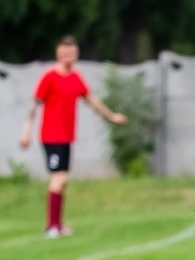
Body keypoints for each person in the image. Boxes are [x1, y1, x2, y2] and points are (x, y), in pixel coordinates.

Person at [19, 36, 128, 237]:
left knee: (63, 179)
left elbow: (91, 100)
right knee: (58, 178)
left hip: (67, 137)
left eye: (72, 52)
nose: (68, 56)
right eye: (64, 52)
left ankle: (58, 225)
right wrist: (26, 131)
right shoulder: (49, 76)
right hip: (51, 136)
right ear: (58, 53)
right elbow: (34, 104)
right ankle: (51, 226)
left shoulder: (76, 78)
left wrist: (111, 116)